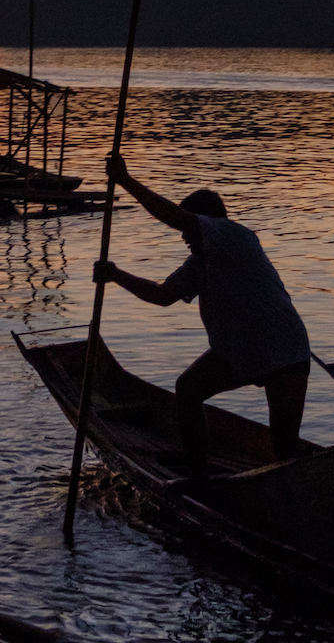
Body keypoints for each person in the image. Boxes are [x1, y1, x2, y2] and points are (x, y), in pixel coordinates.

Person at [93, 155, 311, 477]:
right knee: (188, 390)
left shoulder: (235, 236)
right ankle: (198, 470)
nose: (184, 238)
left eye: (190, 229)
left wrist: (125, 181)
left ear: (209, 224)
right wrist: (115, 275)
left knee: (284, 450)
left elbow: (177, 218)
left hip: (282, 350)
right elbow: (163, 295)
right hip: (241, 352)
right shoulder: (199, 264)